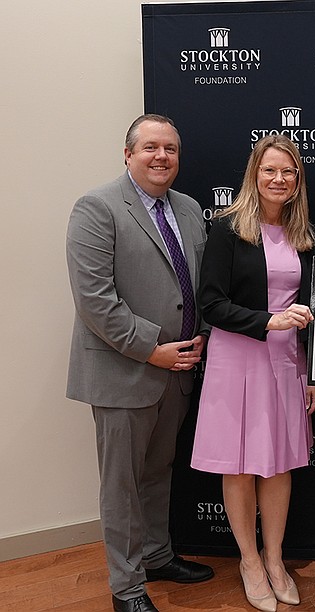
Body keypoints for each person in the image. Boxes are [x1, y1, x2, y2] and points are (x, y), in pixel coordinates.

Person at [66, 114, 214, 612]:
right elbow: (94, 301)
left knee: (158, 471)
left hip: (180, 370)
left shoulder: (190, 209)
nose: (161, 157)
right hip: (125, 369)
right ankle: (126, 588)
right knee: (122, 485)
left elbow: (199, 288)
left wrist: (199, 339)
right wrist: (153, 348)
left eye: (171, 149)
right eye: (150, 147)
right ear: (128, 154)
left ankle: (157, 555)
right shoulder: (97, 207)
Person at [191, 135, 315, 612]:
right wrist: (267, 321)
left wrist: (314, 373)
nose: (279, 179)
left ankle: (275, 558)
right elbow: (212, 304)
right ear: (254, 174)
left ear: (298, 181)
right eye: (270, 171)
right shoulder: (227, 229)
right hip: (236, 358)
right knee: (241, 464)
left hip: (287, 361)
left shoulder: (303, 235)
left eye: (288, 172)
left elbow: (313, 310)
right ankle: (248, 561)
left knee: (279, 462)